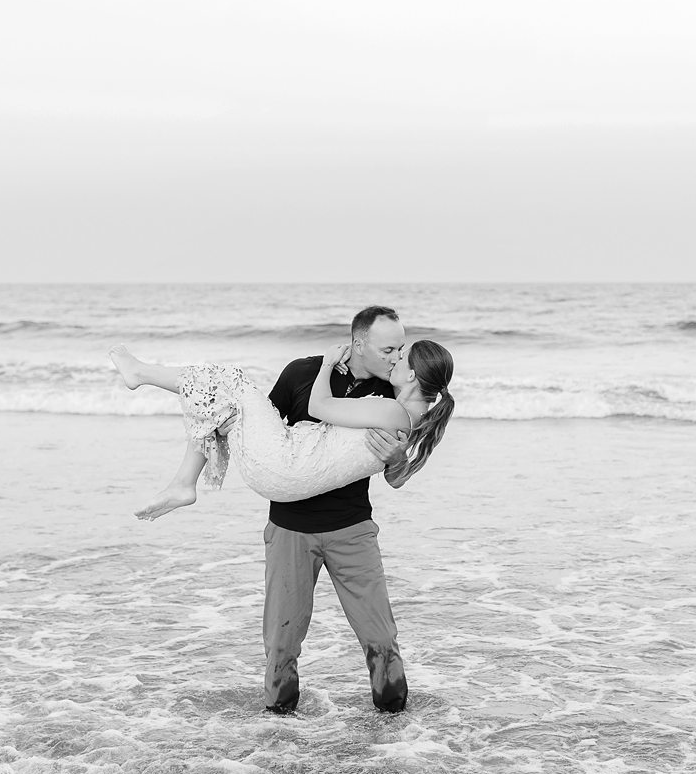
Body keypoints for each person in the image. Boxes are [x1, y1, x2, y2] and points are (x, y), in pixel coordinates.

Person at [109, 306, 455, 714]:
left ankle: (395, 720)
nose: (395, 357)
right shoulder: (301, 373)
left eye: (401, 350)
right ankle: (277, 724)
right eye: (389, 348)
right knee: (281, 641)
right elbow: (253, 425)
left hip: (352, 527)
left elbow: (396, 476)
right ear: (358, 342)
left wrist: (397, 455)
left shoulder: (390, 394)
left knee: (381, 637)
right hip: (291, 525)